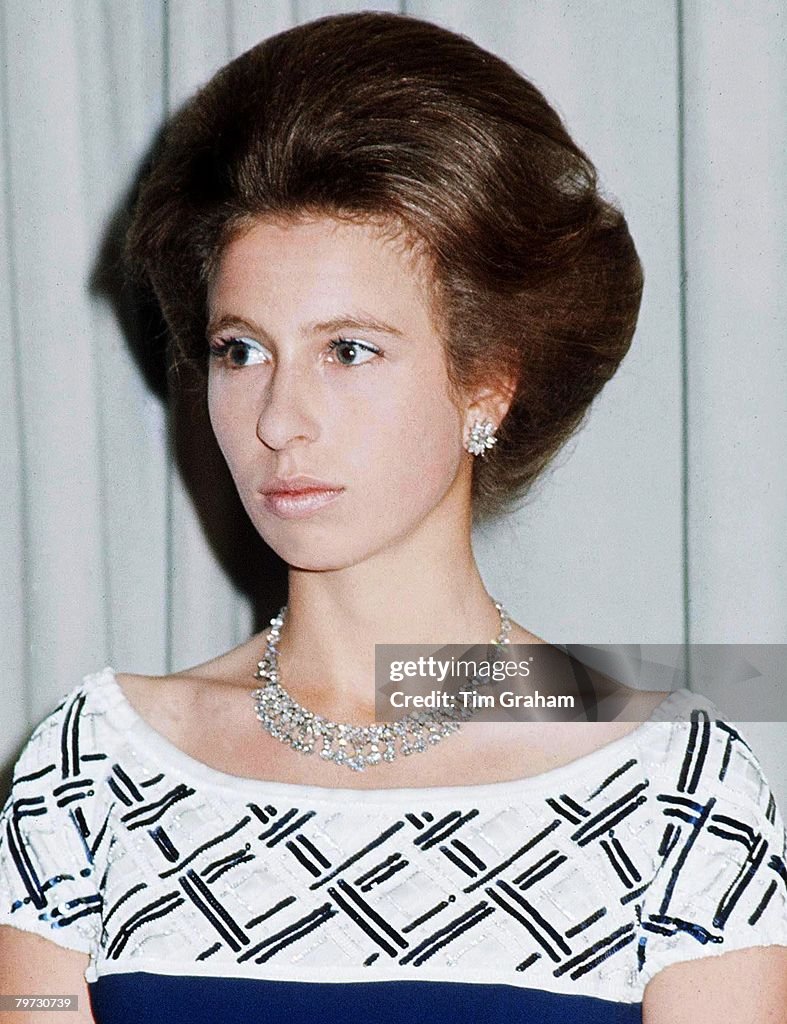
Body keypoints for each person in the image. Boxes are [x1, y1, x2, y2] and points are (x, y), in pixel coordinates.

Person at [1, 11, 785, 1024]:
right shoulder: (93, 771)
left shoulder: (675, 791)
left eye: (349, 351)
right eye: (242, 350)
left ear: (488, 382)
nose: (279, 419)